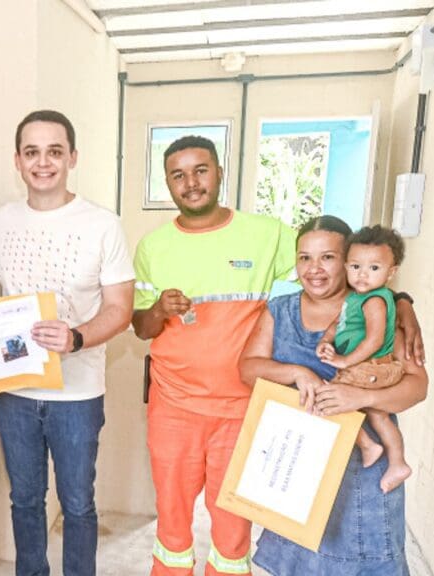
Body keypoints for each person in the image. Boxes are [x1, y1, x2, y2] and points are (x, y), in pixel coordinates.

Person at [132, 135, 298, 576]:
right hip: (174, 408)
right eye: (178, 174)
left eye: (201, 170)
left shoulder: (267, 234)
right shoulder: (153, 246)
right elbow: (140, 328)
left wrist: (398, 302)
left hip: (241, 408)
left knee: (232, 530)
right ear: (167, 183)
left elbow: (333, 267)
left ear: (220, 172)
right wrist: (157, 310)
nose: (191, 182)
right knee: (171, 527)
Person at [0, 111, 135, 575]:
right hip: (16, 392)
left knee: (77, 505)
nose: (42, 162)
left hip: (77, 395)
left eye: (54, 151)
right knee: (25, 501)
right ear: (17, 160)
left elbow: (121, 309)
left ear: (72, 157)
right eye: (32, 152)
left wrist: (76, 337)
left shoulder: (102, 224)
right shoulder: (1, 221)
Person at [239, 215, 427, 576]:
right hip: (298, 468)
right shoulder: (280, 311)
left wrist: (360, 398)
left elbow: (417, 387)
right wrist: (298, 372)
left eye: (328, 257)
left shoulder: (383, 314)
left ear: (348, 261)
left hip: (364, 476)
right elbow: (248, 368)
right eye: (304, 258)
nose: (314, 269)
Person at [315, 225, 411, 493]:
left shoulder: (375, 301)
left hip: (370, 367)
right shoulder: (357, 298)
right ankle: (397, 462)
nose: (363, 275)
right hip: (371, 368)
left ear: (391, 272)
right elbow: (339, 323)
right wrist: (325, 341)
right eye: (356, 266)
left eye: (374, 268)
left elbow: (375, 340)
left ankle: (369, 445)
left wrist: (345, 362)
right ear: (346, 266)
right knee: (378, 416)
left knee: (327, 398)